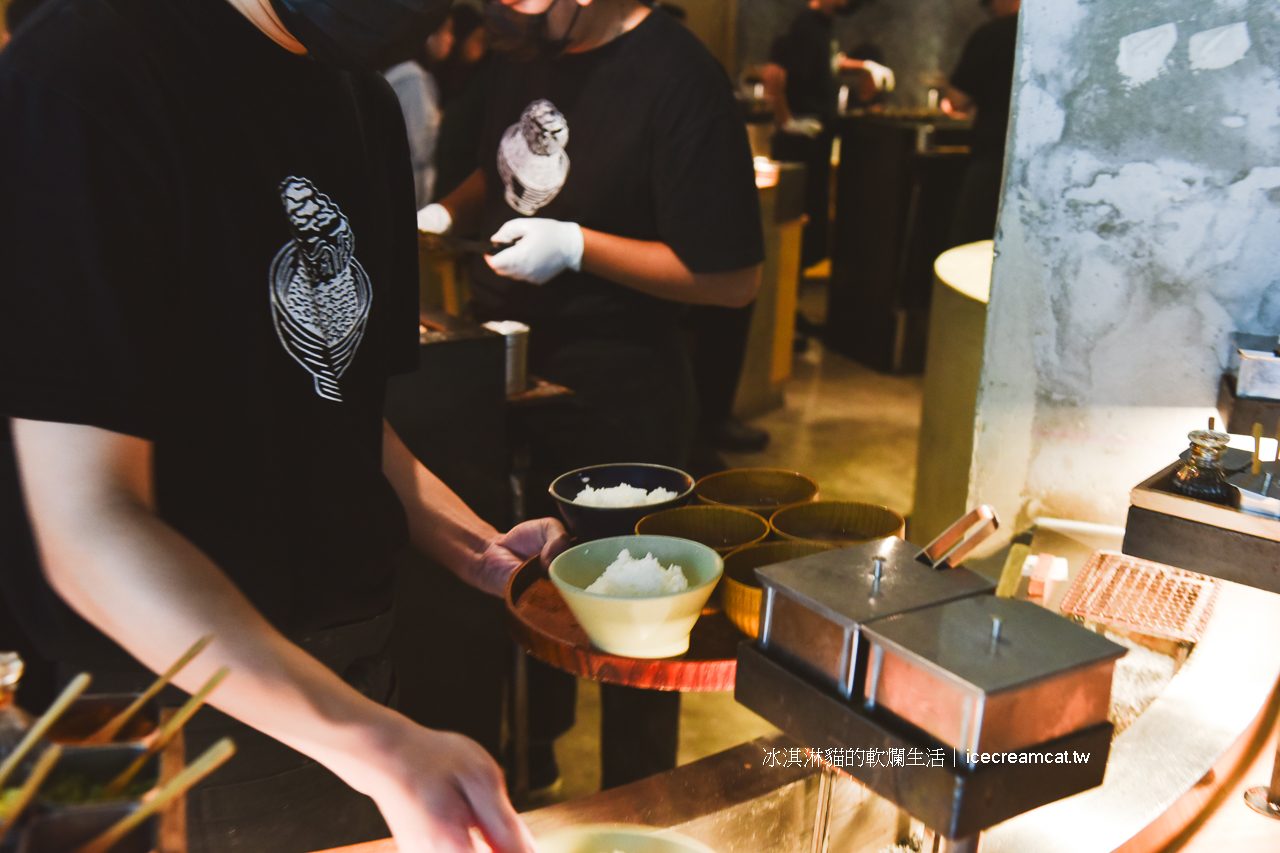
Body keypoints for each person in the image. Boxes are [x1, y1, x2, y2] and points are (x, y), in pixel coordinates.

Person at [0, 1, 567, 852]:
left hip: (347, 677)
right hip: (137, 709)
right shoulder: (87, 74)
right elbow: (86, 523)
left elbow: (339, 409)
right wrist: (375, 744)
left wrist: (478, 549)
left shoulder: (360, 101)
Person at [418, 0, 764, 791]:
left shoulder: (677, 77)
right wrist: (452, 209)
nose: (514, 10)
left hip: (621, 387)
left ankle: (640, 805)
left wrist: (577, 246)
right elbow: (503, 170)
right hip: (507, 364)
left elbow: (732, 278)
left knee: (632, 624)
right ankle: (530, 767)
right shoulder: (523, 43)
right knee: (518, 584)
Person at [763, 0, 893, 269]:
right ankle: (786, 305)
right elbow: (774, 73)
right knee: (795, 227)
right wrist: (786, 122)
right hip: (800, 145)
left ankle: (792, 303)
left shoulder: (822, 27)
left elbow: (827, 63)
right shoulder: (807, 24)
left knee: (809, 228)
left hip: (814, 141)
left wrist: (864, 66)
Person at [944, 0, 1020, 246]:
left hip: (992, 161)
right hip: (1039, 168)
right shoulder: (1053, 35)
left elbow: (956, 101)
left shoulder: (992, 34)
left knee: (971, 248)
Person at [383, 17, 454, 207]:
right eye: (447, 31)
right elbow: (421, 146)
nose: (451, 40)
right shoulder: (412, 77)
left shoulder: (413, 73)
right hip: (406, 185)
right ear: (428, 35)